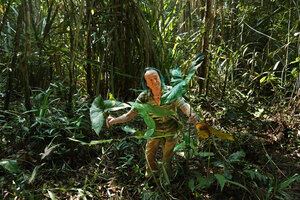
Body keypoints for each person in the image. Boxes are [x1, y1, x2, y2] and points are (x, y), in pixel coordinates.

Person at [106, 67, 198, 179]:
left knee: (167, 159)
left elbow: (183, 105)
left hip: (171, 130)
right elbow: (130, 115)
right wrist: (114, 120)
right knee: (149, 156)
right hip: (154, 130)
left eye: (156, 78)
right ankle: (151, 178)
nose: (154, 82)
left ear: (161, 79)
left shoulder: (171, 92)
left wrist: (191, 114)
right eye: (150, 80)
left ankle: (166, 183)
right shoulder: (144, 97)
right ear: (147, 84)